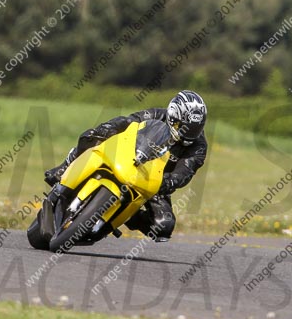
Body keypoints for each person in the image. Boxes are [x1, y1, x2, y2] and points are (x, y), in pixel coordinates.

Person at [44, 90, 207, 242]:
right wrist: (109, 127)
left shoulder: (199, 146)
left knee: (163, 226)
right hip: (128, 158)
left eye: (196, 128)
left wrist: (168, 182)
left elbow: (185, 172)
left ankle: (124, 216)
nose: (190, 133)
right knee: (90, 136)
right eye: (186, 126)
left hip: (154, 183)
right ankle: (65, 168)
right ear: (173, 116)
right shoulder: (157, 115)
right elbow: (130, 121)